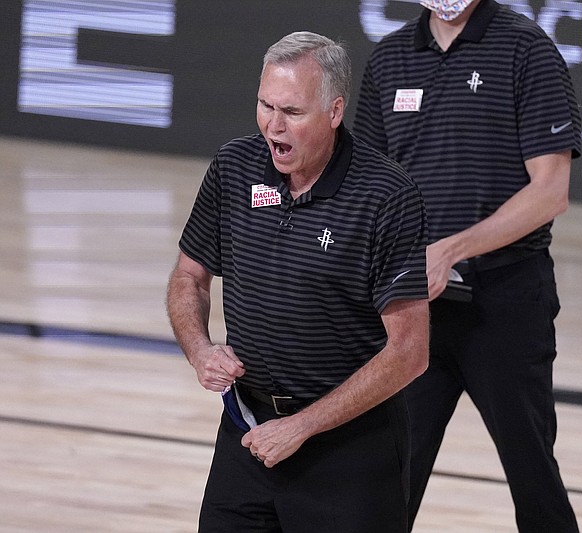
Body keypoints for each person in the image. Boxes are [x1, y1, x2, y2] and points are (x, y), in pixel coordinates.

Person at [166, 31, 430, 532]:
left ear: (334, 112)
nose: (273, 124)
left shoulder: (387, 196)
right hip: (248, 434)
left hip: (349, 451)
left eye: (292, 111)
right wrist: (200, 349)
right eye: (265, 105)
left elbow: (409, 352)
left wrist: (301, 427)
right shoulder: (234, 167)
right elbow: (188, 276)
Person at [353, 1, 582, 530]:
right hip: (413, 306)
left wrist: (451, 249)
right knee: (389, 475)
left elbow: (550, 192)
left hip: (504, 299)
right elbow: (365, 186)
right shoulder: (390, 59)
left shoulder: (527, 50)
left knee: (532, 473)